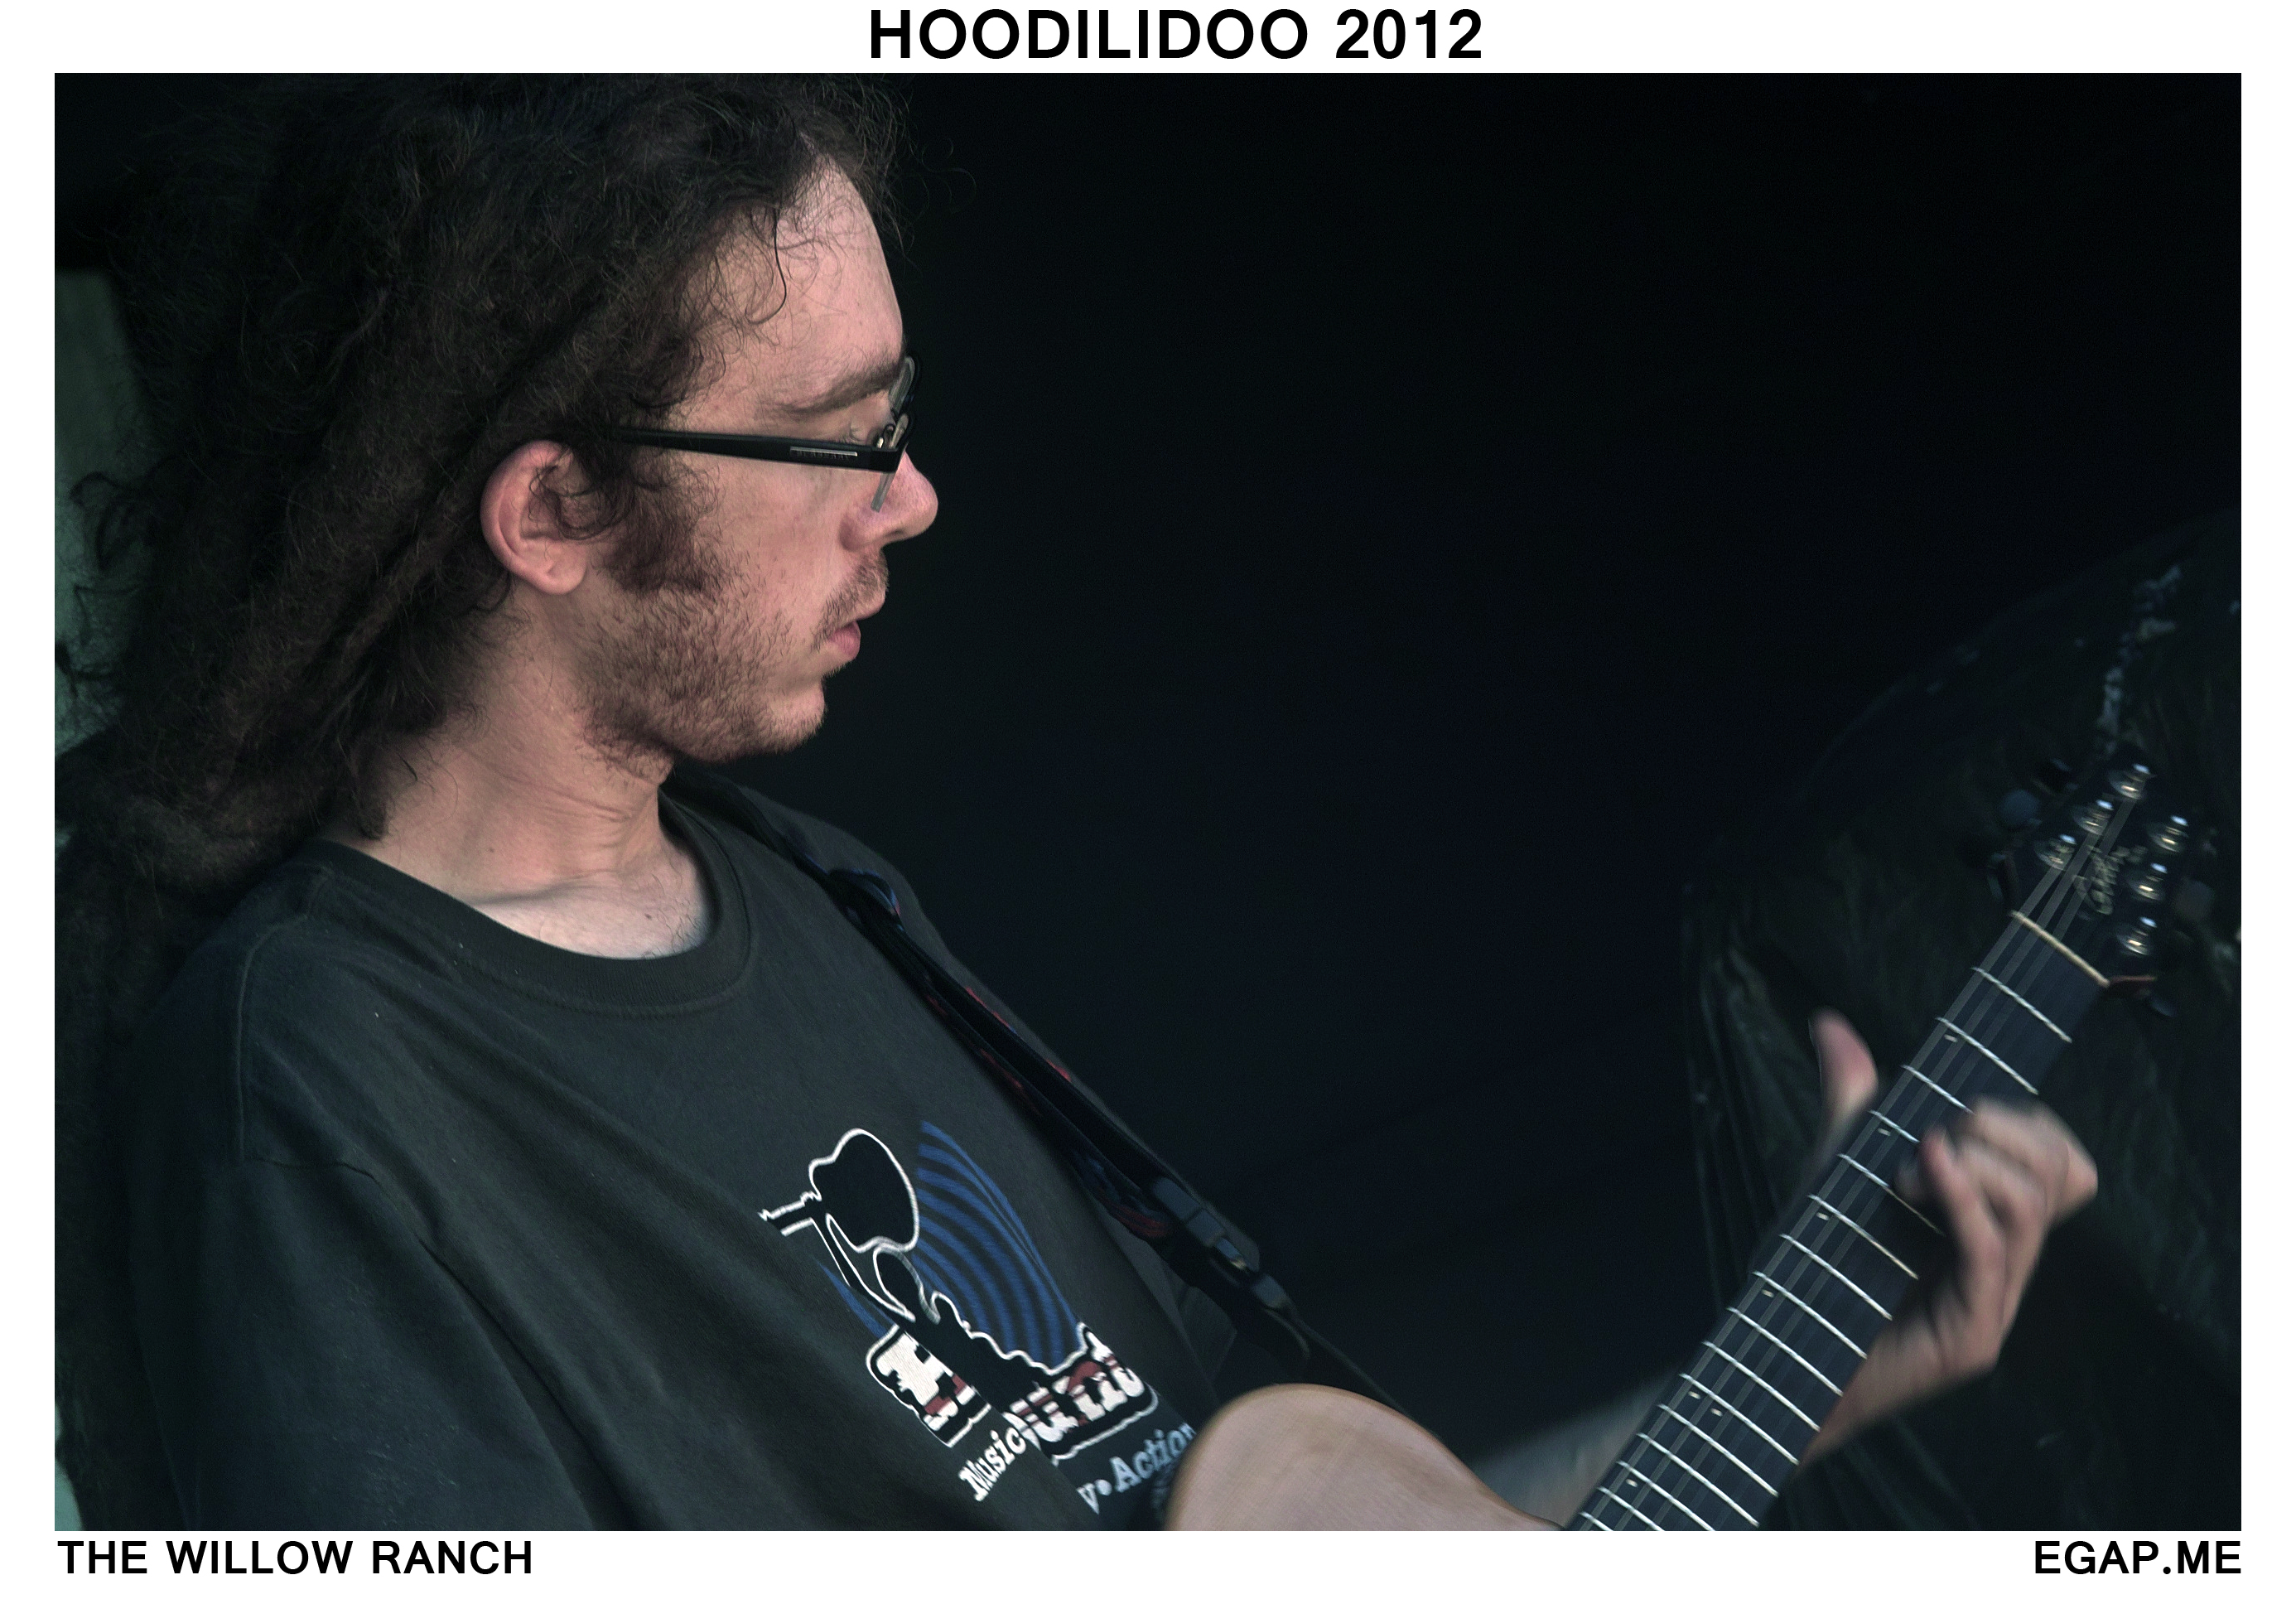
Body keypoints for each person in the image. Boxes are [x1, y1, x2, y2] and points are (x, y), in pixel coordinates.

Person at [55, 76, 2096, 1531]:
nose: (913, 500)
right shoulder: (316, 1084)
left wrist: (1796, 1374)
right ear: (556, 508)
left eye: (905, 416)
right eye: (841, 439)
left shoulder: (827, 898)